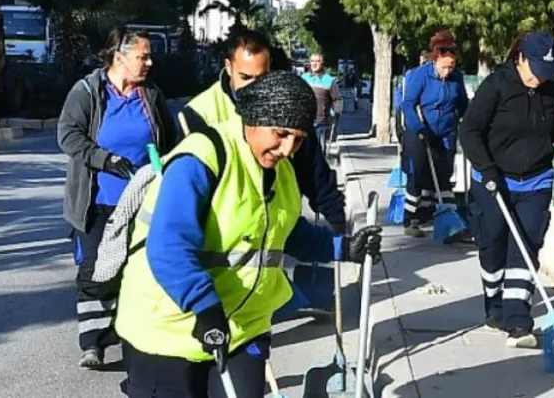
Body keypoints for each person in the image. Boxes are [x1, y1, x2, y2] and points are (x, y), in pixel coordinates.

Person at [114, 71, 383, 398]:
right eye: (281, 133)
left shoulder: (280, 170)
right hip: (168, 328)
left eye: (298, 139)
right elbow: (169, 247)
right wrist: (205, 306)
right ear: (252, 120)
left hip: (242, 328)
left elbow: (284, 231)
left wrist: (344, 248)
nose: (287, 148)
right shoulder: (202, 158)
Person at [180, 30, 346, 314]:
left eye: (262, 78)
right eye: (245, 79)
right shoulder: (198, 114)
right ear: (228, 67)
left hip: (270, 226)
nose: (255, 89)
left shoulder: (285, 101)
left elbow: (312, 170)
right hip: (220, 233)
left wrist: (336, 219)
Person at [459, 31, 554, 347]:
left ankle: (518, 323)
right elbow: (469, 131)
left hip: (536, 182)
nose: (540, 78)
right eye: (536, 69)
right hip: (493, 180)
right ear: (520, 58)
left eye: (546, 72)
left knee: (525, 248)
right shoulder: (497, 85)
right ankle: (494, 303)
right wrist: (487, 170)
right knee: (493, 248)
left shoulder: (549, 91)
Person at [57, 26, 179, 368]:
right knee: (96, 271)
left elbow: (167, 141)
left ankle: (133, 337)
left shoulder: (150, 95)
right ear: (119, 56)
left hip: (143, 201)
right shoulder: (87, 91)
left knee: (137, 269)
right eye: (143, 56)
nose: (149, 63)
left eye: (150, 56)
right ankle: (93, 343)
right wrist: (104, 159)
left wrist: (166, 174)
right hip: (96, 203)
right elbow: (68, 135)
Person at [400, 30, 469, 238]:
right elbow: (408, 104)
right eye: (444, 67)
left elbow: (463, 104)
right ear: (435, 60)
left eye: (452, 66)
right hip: (420, 129)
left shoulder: (457, 78)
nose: (447, 72)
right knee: (419, 171)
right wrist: (419, 129)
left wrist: (469, 123)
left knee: (444, 174)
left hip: (446, 130)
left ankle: (447, 220)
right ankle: (411, 218)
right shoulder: (421, 75)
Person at [301, 53, 342, 154]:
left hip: (321, 122)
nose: (314, 64)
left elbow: (337, 99)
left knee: (319, 151)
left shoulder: (329, 80)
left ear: (322, 64)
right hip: (304, 121)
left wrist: (335, 112)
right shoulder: (303, 78)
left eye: (317, 61)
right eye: (312, 61)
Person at [394, 50, 432, 143]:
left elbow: (400, 97)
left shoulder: (412, 74)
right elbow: (401, 96)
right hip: (412, 115)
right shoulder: (412, 74)